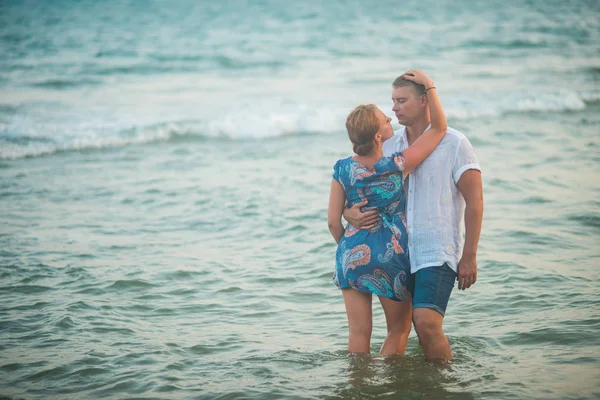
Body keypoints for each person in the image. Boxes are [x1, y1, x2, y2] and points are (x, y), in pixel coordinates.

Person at [343, 72, 484, 361]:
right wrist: (350, 214)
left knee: (427, 323)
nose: (394, 108)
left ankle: (445, 386)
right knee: (408, 329)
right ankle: (417, 385)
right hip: (398, 254)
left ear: (424, 101)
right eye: (392, 101)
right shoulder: (390, 147)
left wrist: (469, 255)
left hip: (437, 249)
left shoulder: (456, 143)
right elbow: (360, 192)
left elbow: (475, 202)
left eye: (402, 100)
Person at [328, 69, 447, 356]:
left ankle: (358, 387)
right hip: (389, 256)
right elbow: (439, 129)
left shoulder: (342, 168)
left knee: (358, 333)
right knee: (399, 329)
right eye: (385, 118)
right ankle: (391, 384)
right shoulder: (396, 165)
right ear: (379, 135)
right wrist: (429, 88)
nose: (390, 118)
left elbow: (333, 221)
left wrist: (351, 242)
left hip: (350, 256)